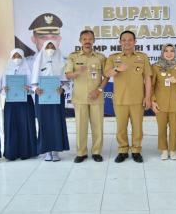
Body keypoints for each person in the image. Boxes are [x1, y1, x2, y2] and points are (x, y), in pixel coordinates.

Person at [105, 30, 152, 163]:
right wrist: (117, 69)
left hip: (138, 99)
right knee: (121, 128)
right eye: (124, 40)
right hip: (120, 99)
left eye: (130, 40)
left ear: (135, 42)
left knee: (137, 127)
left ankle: (136, 150)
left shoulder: (142, 57)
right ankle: (123, 150)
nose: (127, 42)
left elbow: (147, 78)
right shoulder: (113, 58)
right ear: (120, 42)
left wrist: (148, 97)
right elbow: (107, 73)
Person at [65, 30, 108, 163]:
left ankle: (96, 152)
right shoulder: (73, 57)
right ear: (80, 41)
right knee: (80, 126)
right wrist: (77, 72)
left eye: (90, 39)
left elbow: (106, 76)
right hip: (80, 97)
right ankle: (81, 152)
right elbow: (68, 75)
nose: (87, 41)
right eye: (85, 39)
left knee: (97, 126)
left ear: (94, 40)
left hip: (97, 96)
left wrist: (99, 90)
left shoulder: (100, 57)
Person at [31, 40, 69, 161]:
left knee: (57, 122)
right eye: (48, 46)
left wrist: (62, 88)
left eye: (52, 45)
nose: (50, 48)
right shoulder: (38, 60)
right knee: (44, 122)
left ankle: (56, 150)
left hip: (57, 96)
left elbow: (66, 81)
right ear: (43, 48)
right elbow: (33, 81)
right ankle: (47, 150)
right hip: (42, 96)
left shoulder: (62, 61)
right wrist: (36, 88)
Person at [151, 43, 176, 160]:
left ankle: (172, 150)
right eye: (166, 51)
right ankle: (163, 150)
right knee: (161, 128)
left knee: (174, 128)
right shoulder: (156, 67)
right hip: (160, 103)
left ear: (175, 53)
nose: (169, 53)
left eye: (171, 51)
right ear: (162, 53)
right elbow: (151, 86)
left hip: (175, 103)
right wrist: (153, 101)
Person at [1, 48, 37, 161]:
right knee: (10, 126)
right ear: (11, 58)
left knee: (25, 125)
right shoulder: (6, 70)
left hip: (25, 101)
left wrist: (29, 88)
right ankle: (11, 152)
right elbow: (1, 89)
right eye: (14, 56)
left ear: (23, 57)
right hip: (10, 102)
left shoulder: (29, 69)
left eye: (19, 56)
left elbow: (34, 87)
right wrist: (4, 89)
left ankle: (26, 152)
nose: (17, 58)